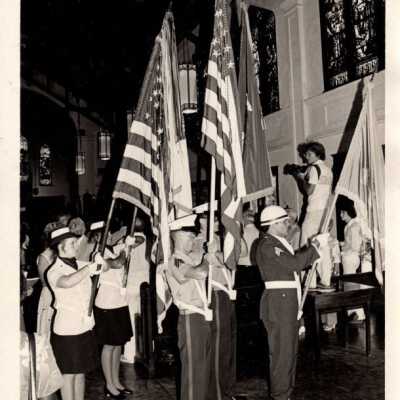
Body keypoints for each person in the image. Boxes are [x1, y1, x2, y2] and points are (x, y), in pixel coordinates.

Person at [255, 205, 324, 400]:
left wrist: (314, 247)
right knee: (281, 356)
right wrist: (315, 248)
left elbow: (293, 263)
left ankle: (286, 394)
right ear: (274, 224)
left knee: (290, 353)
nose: (288, 224)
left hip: (287, 302)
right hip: (279, 304)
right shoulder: (268, 245)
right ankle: (280, 396)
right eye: (285, 222)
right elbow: (294, 264)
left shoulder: (278, 242)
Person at [47, 226, 106, 400]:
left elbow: (106, 267)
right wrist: (90, 268)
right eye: (72, 243)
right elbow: (67, 282)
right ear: (60, 246)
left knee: (80, 372)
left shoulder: (80, 264)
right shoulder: (53, 270)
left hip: (84, 326)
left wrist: (100, 259)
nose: (76, 246)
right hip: (67, 330)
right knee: (68, 375)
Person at [165, 214, 213, 400]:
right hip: (190, 319)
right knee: (193, 372)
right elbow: (200, 273)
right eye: (189, 237)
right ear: (176, 236)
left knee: (203, 368)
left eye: (193, 237)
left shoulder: (191, 257)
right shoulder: (175, 261)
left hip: (201, 317)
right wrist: (207, 259)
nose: (192, 240)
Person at [93, 221, 142, 399]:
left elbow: (139, 239)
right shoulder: (97, 254)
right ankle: (109, 385)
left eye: (109, 232)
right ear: (97, 237)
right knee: (109, 345)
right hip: (106, 304)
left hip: (119, 302)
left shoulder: (113, 248)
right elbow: (117, 263)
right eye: (103, 234)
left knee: (118, 344)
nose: (108, 236)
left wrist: (128, 241)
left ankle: (116, 382)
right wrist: (124, 249)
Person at [293, 141, 333, 288]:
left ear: (317, 154)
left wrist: (300, 177)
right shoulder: (328, 170)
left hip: (314, 211)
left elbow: (309, 191)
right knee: (323, 245)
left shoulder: (314, 168)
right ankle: (326, 280)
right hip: (324, 212)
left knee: (306, 245)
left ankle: (309, 282)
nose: (306, 157)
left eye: (309, 154)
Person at [339, 200, 367, 322]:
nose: (340, 215)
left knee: (352, 287)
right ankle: (353, 313)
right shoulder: (349, 226)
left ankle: (359, 314)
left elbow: (355, 246)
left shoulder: (354, 226)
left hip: (350, 258)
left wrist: (342, 247)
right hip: (348, 258)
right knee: (350, 286)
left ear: (347, 212)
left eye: (342, 212)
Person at [36, 222, 62, 338]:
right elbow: (45, 282)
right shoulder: (44, 257)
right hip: (50, 295)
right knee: (47, 329)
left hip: (61, 294)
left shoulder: (61, 254)